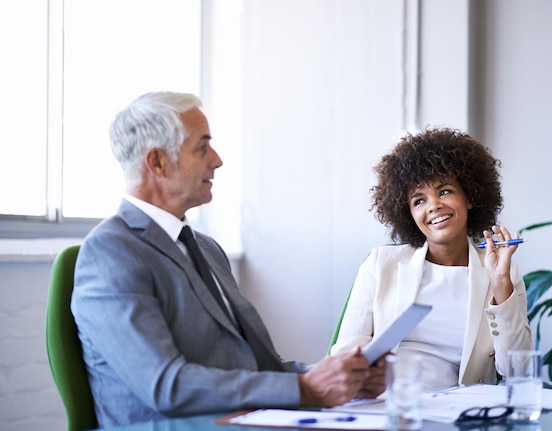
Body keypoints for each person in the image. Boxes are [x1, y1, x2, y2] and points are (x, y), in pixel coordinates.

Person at [71, 91, 385, 428]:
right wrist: (303, 388)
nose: (217, 160)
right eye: (202, 147)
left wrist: (339, 379)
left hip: (241, 420)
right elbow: (166, 386)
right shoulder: (110, 252)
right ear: (157, 162)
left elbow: (259, 365)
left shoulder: (206, 249)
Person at [329, 128, 532, 387]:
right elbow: (346, 354)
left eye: (445, 191)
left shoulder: (502, 271)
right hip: (385, 404)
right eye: (418, 200)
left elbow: (521, 371)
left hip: (460, 413)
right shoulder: (381, 264)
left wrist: (501, 283)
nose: (433, 205)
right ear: (409, 214)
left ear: (469, 197)